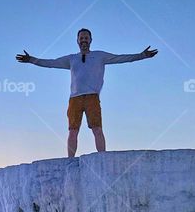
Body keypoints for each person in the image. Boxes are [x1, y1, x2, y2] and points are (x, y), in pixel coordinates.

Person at [16, 28, 158, 157]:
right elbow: (51, 63)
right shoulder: (71, 58)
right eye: (81, 38)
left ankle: (103, 157)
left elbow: (121, 58)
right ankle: (70, 160)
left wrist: (142, 55)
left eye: (86, 38)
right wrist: (31, 60)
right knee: (73, 131)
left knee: (97, 128)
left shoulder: (100, 56)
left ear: (90, 40)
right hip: (75, 98)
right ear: (77, 41)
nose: (84, 40)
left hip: (92, 97)